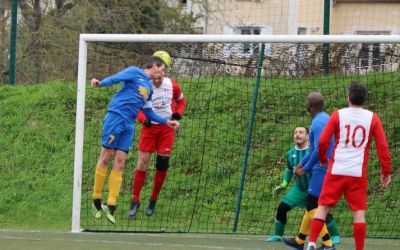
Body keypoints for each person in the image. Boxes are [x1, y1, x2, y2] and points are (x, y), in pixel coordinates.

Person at [91, 56, 180, 224]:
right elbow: (116, 78)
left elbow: (149, 113)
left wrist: (166, 122)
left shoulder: (150, 89)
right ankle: (96, 199)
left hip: (129, 125)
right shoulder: (134, 72)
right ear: (154, 66)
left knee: (121, 162)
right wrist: (100, 83)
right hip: (116, 116)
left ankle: (110, 204)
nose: (162, 74)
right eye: (161, 70)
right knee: (106, 156)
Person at [306, 82, 391, 250]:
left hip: (336, 170)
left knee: (322, 208)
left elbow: (322, 141)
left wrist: (323, 158)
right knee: (358, 213)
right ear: (364, 99)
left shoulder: (338, 115)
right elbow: (383, 147)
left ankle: (311, 244)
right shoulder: (372, 118)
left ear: (348, 97)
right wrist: (386, 171)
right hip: (357, 173)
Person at [128, 51, 186, 217]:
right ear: (151, 74)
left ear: (163, 72)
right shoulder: (144, 87)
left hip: (166, 129)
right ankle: (135, 199)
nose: (157, 80)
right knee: (142, 164)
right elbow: (137, 107)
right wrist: (142, 119)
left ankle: (153, 199)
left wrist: (178, 114)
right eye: (154, 78)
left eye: (160, 76)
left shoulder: (173, 85)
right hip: (149, 129)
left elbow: (181, 100)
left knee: (162, 165)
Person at [282, 92, 339, 250]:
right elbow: (314, 148)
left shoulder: (319, 122)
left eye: (307, 101)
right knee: (311, 206)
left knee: (313, 207)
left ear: (309, 105)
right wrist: (302, 163)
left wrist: (305, 168)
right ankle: (300, 241)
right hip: (323, 166)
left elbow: (321, 148)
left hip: (323, 167)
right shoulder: (321, 119)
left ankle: (328, 244)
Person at [266, 126, 310, 242]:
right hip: (299, 189)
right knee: (282, 208)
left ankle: (334, 236)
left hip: (314, 189)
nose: (297, 135)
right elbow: (289, 169)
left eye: (301, 132)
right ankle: (278, 235)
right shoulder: (291, 153)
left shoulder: (313, 151)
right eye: (295, 132)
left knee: (319, 214)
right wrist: (284, 183)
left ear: (307, 136)